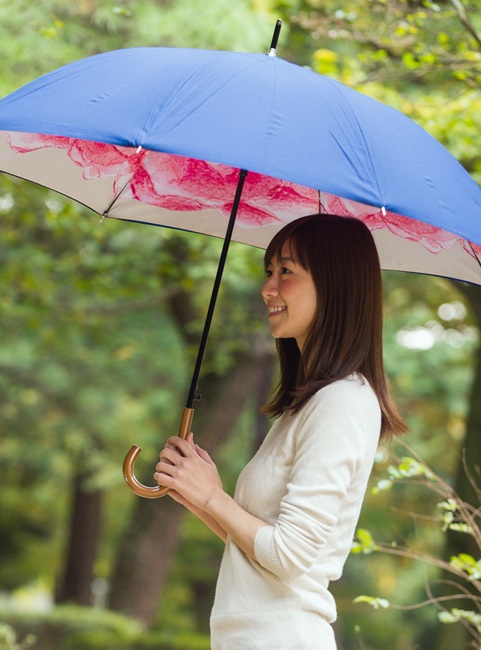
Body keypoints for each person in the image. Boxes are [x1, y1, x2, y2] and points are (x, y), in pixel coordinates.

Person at [154, 214, 408, 649]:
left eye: (286, 271)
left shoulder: (342, 402)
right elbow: (265, 555)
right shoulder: (309, 402)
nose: (268, 287)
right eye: (268, 271)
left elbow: (289, 558)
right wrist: (199, 498)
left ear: (335, 283)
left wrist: (215, 496)